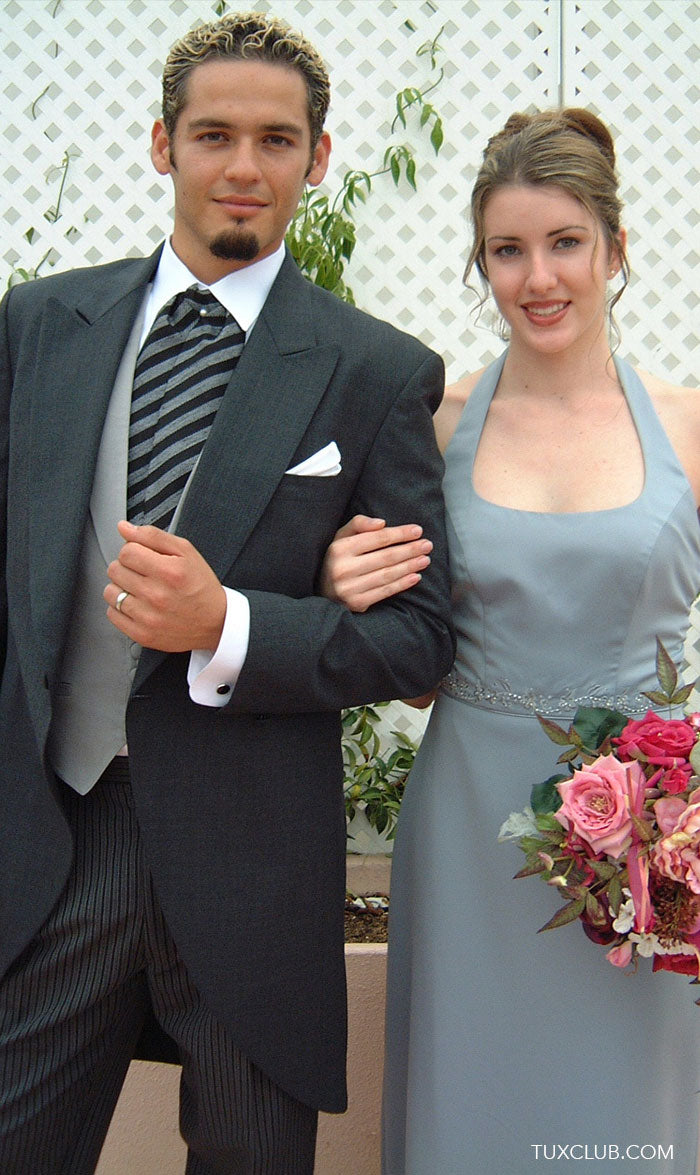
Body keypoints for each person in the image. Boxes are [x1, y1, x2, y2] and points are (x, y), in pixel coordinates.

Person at [0, 11, 455, 1173]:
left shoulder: (373, 369)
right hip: (59, 843)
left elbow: (417, 641)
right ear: (162, 146)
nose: (243, 167)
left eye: (275, 139)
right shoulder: (39, 328)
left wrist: (234, 625)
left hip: (256, 869)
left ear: (319, 156)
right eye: (213, 134)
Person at [321, 109, 700, 1173]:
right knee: (477, 1100)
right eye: (506, 248)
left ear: (616, 249)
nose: (537, 277)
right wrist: (339, 578)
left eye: (564, 241)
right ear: (479, 260)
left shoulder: (687, 425)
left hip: (651, 838)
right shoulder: (432, 428)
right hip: (469, 829)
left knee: (625, 1111)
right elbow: (391, 625)